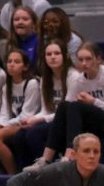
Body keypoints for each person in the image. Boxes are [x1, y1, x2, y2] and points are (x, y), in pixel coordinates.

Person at [24, 41, 104, 171]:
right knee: (65, 105)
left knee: (75, 106)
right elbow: (65, 110)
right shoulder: (79, 80)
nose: (84, 63)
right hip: (93, 122)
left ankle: (70, 156)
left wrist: (94, 101)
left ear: (98, 59)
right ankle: (46, 159)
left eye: (88, 59)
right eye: (81, 59)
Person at [11, 39, 82, 168]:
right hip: (51, 119)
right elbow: (46, 109)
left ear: (65, 56)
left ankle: (50, 167)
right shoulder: (45, 78)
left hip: (67, 122)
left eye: (57, 53)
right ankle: (25, 173)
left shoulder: (74, 76)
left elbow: (67, 111)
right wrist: (32, 119)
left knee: (33, 134)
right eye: (49, 54)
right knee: (19, 136)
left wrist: (39, 119)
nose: (53, 57)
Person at [0, 49, 40, 174]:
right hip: (14, 122)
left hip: (29, 123)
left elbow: (27, 114)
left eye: (16, 62)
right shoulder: (7, 85)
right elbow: (4, 112)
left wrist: (1, 126)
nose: (11, 64)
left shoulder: (31, 83)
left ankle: (13, 175)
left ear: (25, 66)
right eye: (9, 61)